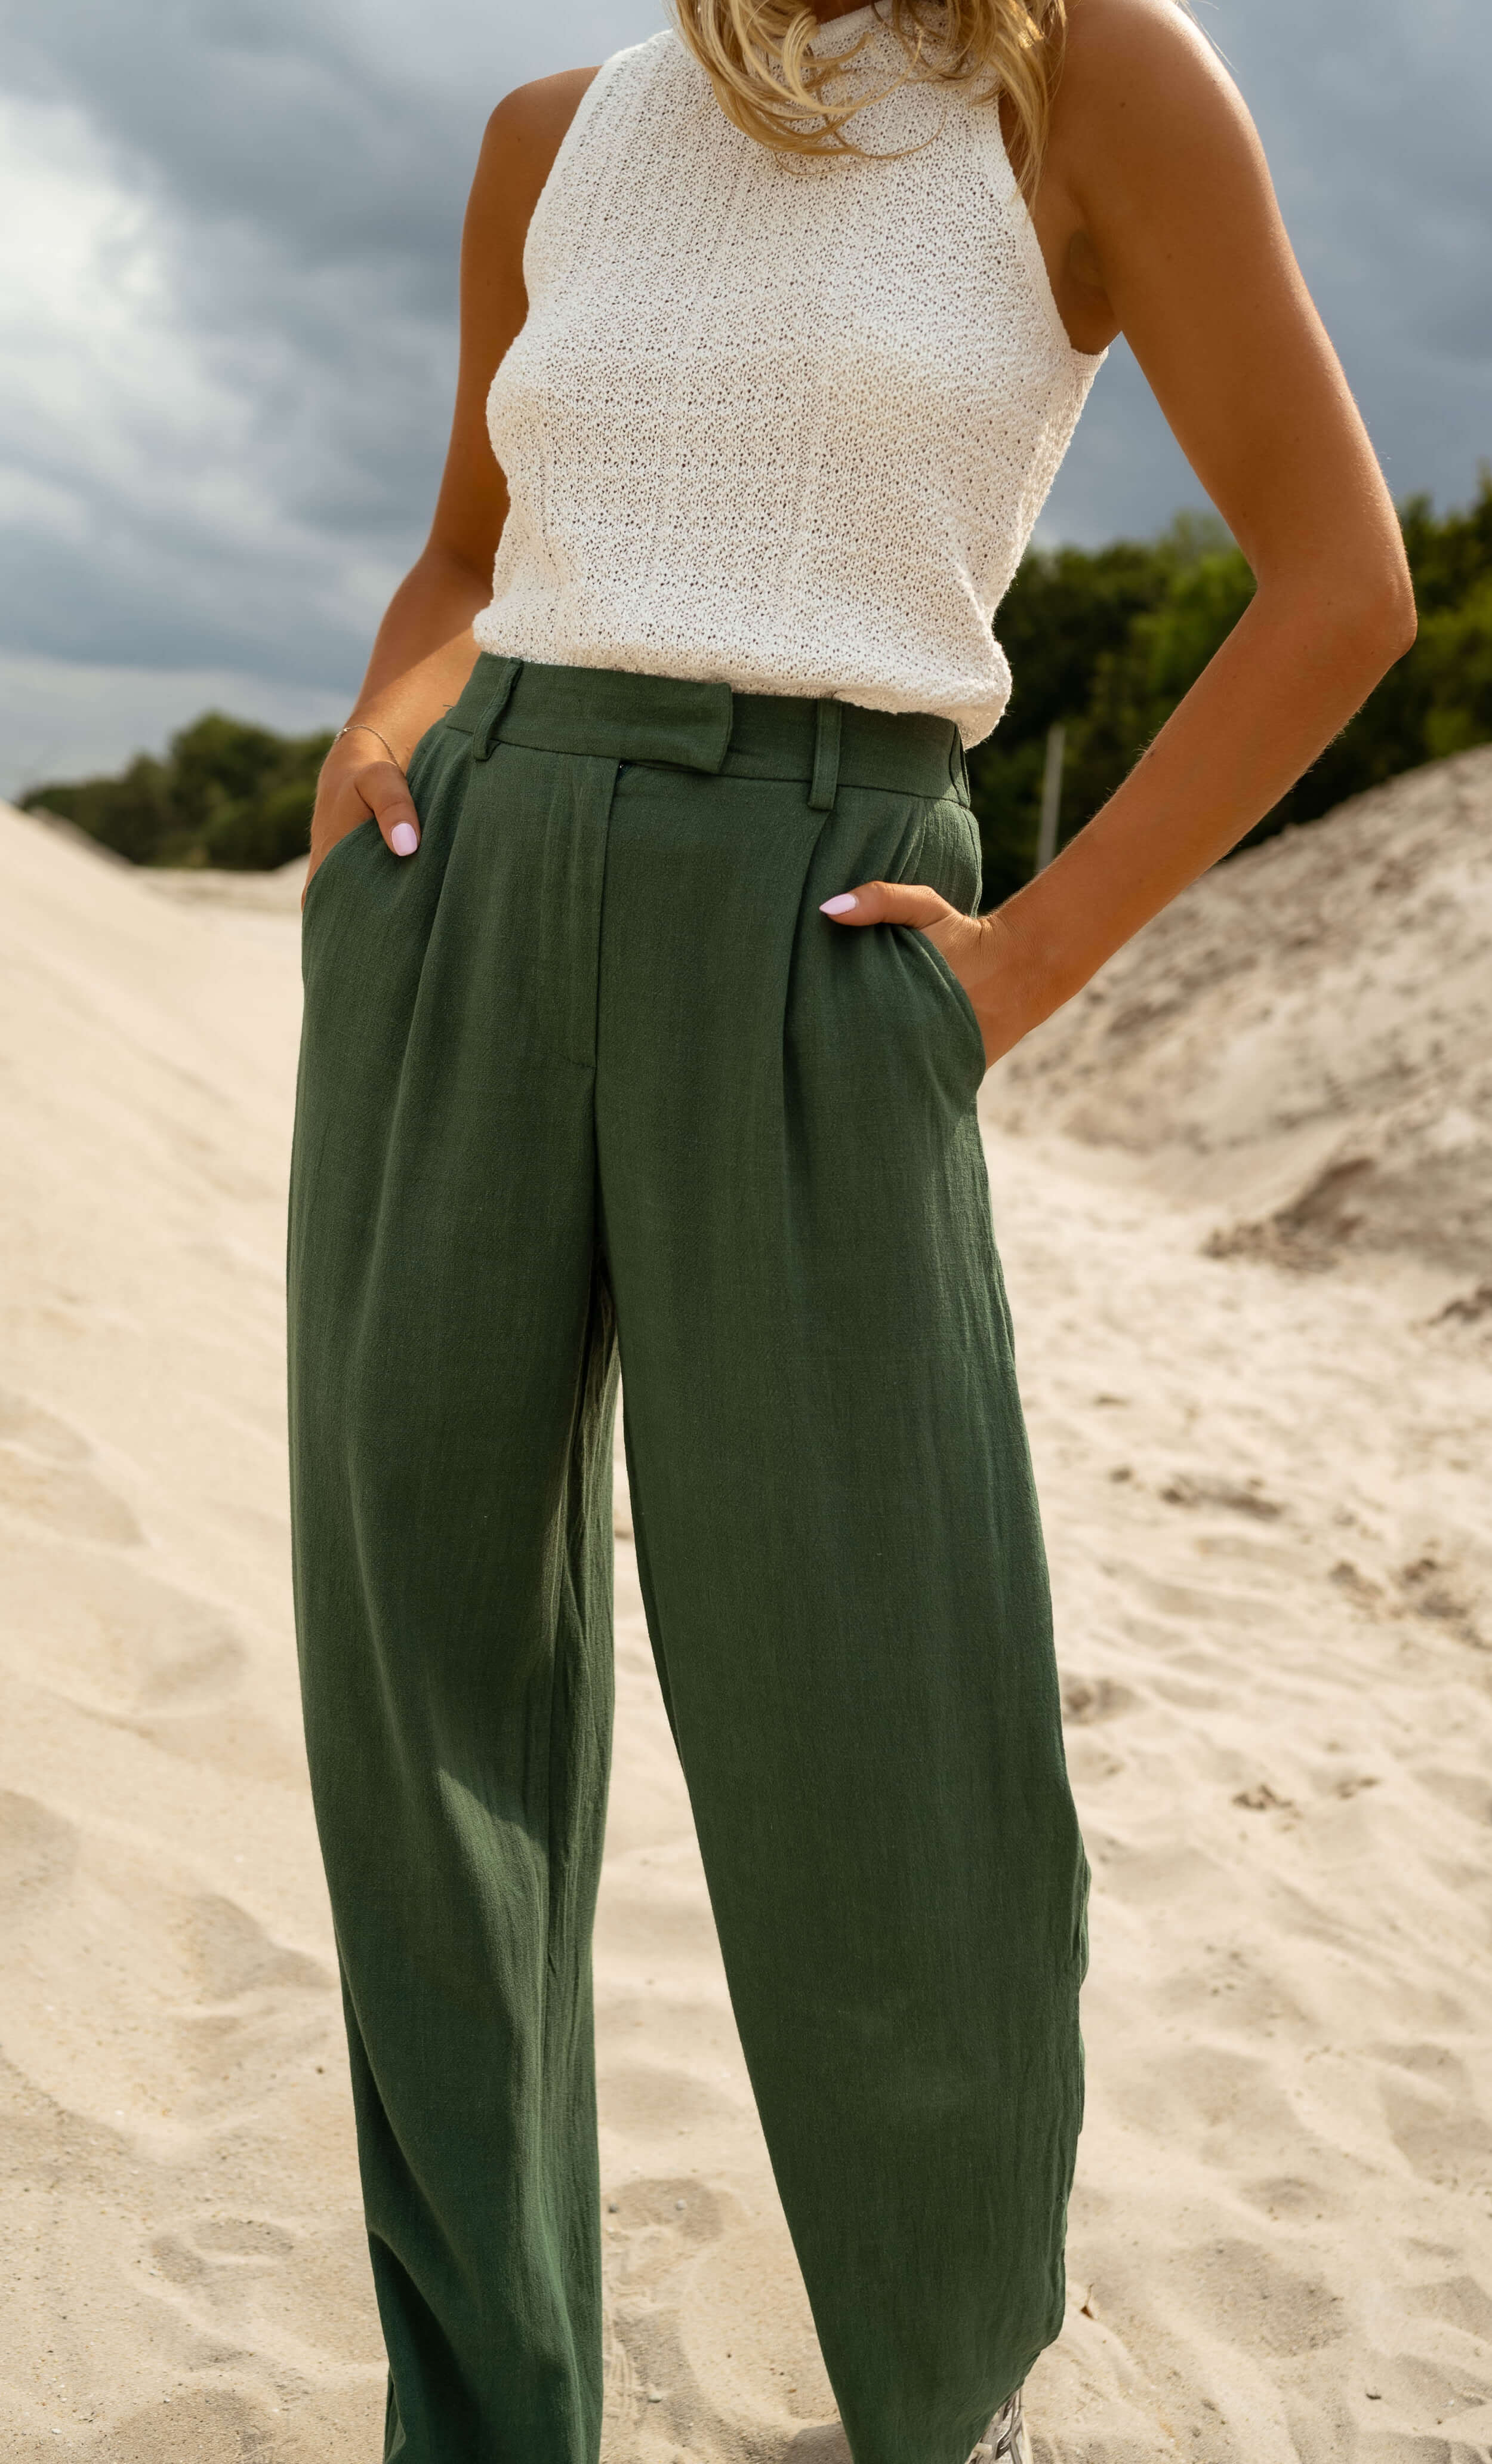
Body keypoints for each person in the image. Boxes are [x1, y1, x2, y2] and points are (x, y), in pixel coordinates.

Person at [286, 0, 1413, 2457]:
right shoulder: (548, 135)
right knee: (423, 1716)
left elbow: (1341, 586)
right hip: (462, 899)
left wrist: (1024, 969)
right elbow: (473, 558)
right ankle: (482, 2420)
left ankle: (946, 2397)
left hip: (817, 914)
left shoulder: (1089, 81)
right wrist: (376, 739)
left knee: (879, 1718)